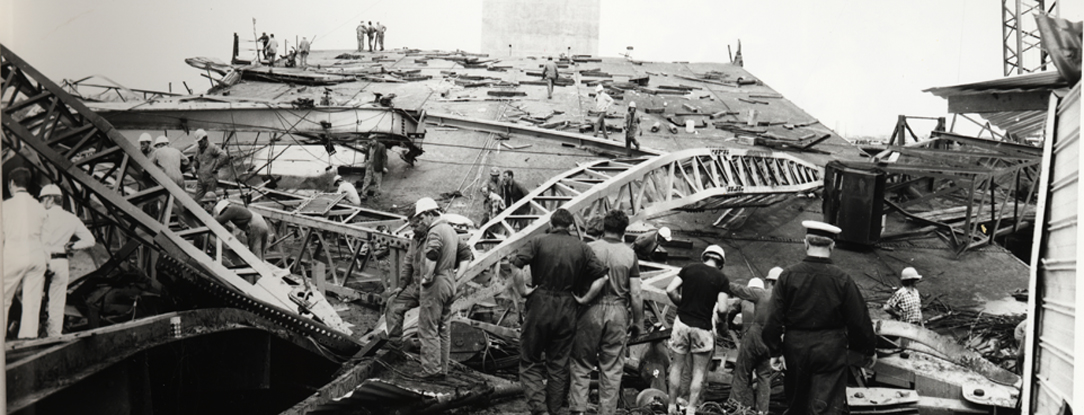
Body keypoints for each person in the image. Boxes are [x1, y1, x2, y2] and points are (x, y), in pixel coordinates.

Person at [762, 221, 877, 415]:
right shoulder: (843, 279)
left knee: (797, 406)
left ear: (806, 243)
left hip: (795, 347)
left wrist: (774, 351)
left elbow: (773, 318)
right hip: (830, 350)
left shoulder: (787, 276)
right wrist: (867, 349)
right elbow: (859, 320)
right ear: (832, 246)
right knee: (825, 407)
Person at [511, 208, 608, 415]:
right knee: (558, 365)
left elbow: (516, 265)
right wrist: (584, 299)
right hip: (567, 306)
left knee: (529, 360)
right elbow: (602, 277)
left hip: (540, 303)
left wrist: (523, 290)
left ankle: (539, 409)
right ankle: (553, 410)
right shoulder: (582, 248)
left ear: (551, 223)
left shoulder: (538, 241)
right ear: (571, 226)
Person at [569, 210, 643, 415]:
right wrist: (639, 323)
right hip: (618, 312)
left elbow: (574, 281)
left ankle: (578, 410)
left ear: (604, 228)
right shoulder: (630, 254)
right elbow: (636, 294)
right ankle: (606, 412)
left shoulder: (588, 248)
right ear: (624, 231)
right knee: (611, 368)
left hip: (589, 310)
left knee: (581, 362)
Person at [384, 211, 472, 348]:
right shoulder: (416, 239)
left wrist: (457, 276)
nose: (413, 229)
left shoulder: (437, 233)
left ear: (423, 220)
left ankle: (434, 360)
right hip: (417, 287)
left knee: (430, 328)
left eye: (415, 225)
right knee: (394, 303)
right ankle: (395, 345)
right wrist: (401, 286)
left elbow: (466, 253)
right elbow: (408, 263)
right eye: (411, 226)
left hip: (432, 287)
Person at [665, 244, 731, 415]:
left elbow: (670, 289)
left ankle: (671, 406)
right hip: (702, 328)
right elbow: (723, 309)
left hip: (682, 323)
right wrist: (723, 321)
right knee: (699, 372)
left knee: (676, 367)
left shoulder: (688, 268)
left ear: (704, 257)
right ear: (721, 263)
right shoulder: (722, 279)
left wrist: (682, 303)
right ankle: (691, 409)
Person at [413, 197, 471, 379]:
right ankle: (442, 369)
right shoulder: (451, 230)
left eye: (422, 218)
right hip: (449, 282)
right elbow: (466, 254)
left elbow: (432, 252)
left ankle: (431, 371)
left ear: (430, 214)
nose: (421, 222)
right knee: (443, 328)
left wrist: (427, 276)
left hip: (436, 283)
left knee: (428, 328)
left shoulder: (435, 231)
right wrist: (457, 276)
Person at [39, 184, 95, 337]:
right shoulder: (71, 218)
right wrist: (72, 246)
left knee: (33, 298)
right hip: (61, 261)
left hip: (41, 261)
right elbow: (90, 240)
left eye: (42, 199)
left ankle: (30, 335)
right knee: (57, 303)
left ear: (50, 199)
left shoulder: (40, 216)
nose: (41, 203)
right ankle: (54, 336)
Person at [727, 267, 782, 414]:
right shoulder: (787, 302)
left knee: (742, 374)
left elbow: (738, 289)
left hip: (753, 338)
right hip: (771, 343)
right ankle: (762, 411)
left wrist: (720, 280)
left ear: (769, 282)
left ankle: (734, 408)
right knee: (764, 377)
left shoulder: (762, 294)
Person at [3, 168, 48, 339]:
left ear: (11, 183)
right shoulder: (39, 208)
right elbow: (46, 239)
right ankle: (28, 340)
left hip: (14, 255)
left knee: (3, 300)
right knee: (32, 302)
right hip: (37, 256)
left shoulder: (5, 207)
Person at [192, 129, 229, 203]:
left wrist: (216, 167)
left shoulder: (212, 147)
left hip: (210, 179)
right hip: (201, 179)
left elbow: (224, 155)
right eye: (198, 142)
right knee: (197, 200)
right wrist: (193, 166)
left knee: (209, 200)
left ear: (205, 139)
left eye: (200, 142)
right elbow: (196, 160)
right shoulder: (199, 149)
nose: (199, 144)